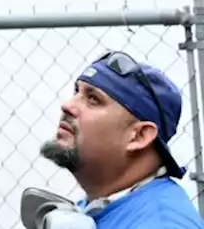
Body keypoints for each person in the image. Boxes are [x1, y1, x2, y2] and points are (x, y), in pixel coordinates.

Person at [36, 51, 204, 226]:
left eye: (93, 99)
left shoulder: (162, 223)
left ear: (139, 136)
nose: (68, 105)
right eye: (77, 92)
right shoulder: (106, 205)